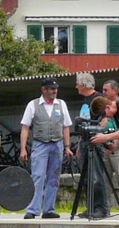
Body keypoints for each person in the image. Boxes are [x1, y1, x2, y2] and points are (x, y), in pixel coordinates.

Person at [19, 78, 73, 219]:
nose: (55, 91)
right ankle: (33, 209)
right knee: (38, 176)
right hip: (40, 143)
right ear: (44, 89)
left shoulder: (61, 104)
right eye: (52, 89)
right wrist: (23, 148)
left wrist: (67, 146)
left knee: (54, 177)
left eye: (55, 89)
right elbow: (25, 127)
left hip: (57, 143)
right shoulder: (33, 104)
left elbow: (66, 127)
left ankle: (49, 209)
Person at [74, 72, 108, 218]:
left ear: (83, 84)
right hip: (85, 141)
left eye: (78, 84)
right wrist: (79, 145)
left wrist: (100, 134)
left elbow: (104, 118)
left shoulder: (98, 98)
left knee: (96, 176)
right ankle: (91, 207)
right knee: (86, 177)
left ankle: (101, 207)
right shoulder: (85, 100)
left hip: (95, 140)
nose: (76, 87)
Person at [98, 79, 119, 213]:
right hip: (105, 146)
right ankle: (105, 207)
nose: (103, 92)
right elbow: (100, 125)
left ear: (115, 90)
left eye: (106, 90)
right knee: (105, 178)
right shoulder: (102, 105)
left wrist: (116, 142)